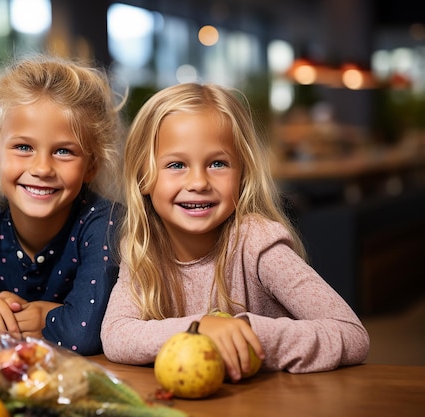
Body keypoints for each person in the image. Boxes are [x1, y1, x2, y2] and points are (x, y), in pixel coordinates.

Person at [100, 83, 369, 381]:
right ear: (143, 178)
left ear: (242, 176)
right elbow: (116, 335)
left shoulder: (256, 244)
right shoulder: (144, 250)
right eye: (177, 165)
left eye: (218, 163)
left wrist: (248, 333)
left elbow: (352, 334)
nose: (199, 182)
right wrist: (201, 327)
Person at [0, 55, 125, 356]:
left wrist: (41, 317)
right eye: (23, 147)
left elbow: (84, 334)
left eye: (64, 151)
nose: (42, 168)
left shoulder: (105, 222)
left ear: (92, 166)